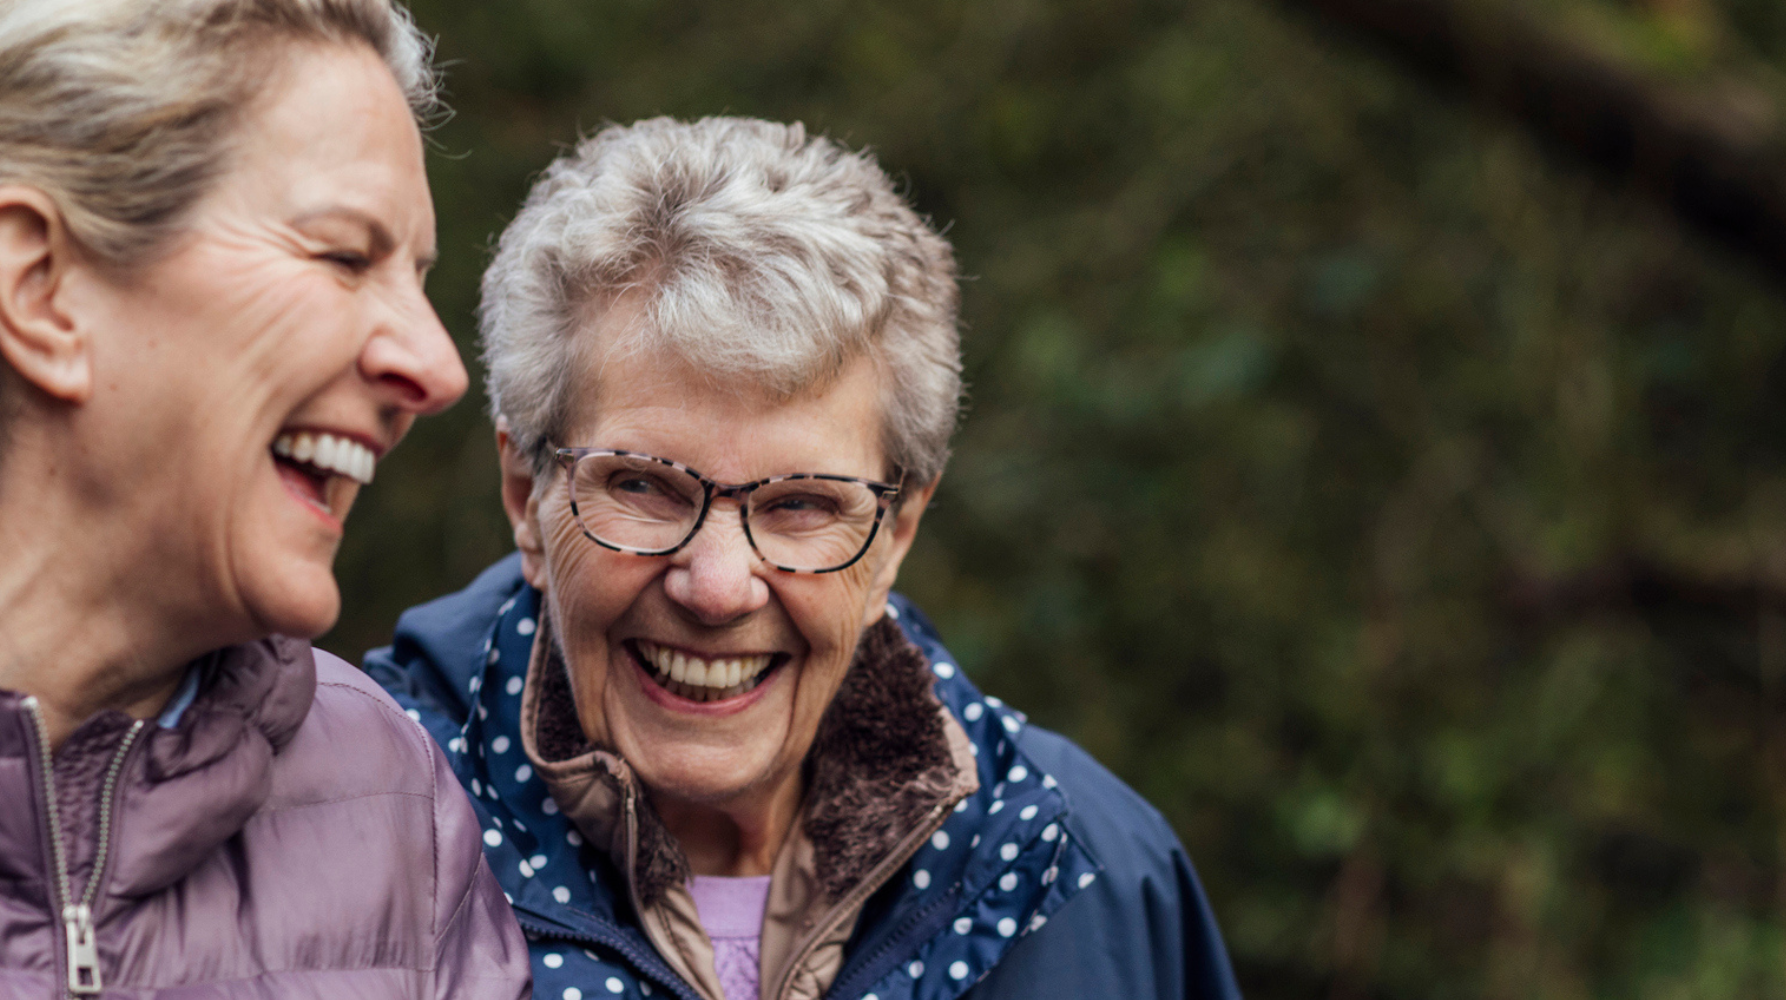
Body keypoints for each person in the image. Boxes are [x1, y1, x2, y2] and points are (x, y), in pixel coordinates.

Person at [0, 0, 529, 996]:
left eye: (415, 279)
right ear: (37, 287)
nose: (434, 367)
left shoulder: (389, 799)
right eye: (342, 256)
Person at [365, 117, 1240, 1000]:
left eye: (800, 505)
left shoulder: (1087, 872)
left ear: (898, 534)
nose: (716, 587)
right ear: (526, 494)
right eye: (643, 487)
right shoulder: (345, 840)